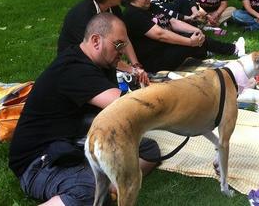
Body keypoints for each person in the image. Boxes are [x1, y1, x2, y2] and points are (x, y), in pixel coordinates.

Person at [9, 13, 160, 206]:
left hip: (74, 140)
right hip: (39, 161)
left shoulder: (100, 62)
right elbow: (128, 107)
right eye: (119, 45)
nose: (122, 51)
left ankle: (109, 187)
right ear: (96, 40)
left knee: (149, 151)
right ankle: (93, 188)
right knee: (89, 193)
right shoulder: (74, 69)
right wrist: (171, 96)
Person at [123, 0, 245, 73]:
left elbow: (173, 22)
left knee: (196, 37)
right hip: (154, 61)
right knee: (199, 42)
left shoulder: (149, 6)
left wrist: (196, 30)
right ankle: (234, 49)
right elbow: (160, 35)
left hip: (165, 48)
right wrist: (189, 42)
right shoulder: (133, 14)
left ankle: (206, 51)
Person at [57, 0, 148, 84]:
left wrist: (136, 65)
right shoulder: (83, 15)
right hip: (76, 63)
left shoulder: (113, 8)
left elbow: (123, 39)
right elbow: (100, 53)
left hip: (102, 59)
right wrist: (131, 70)